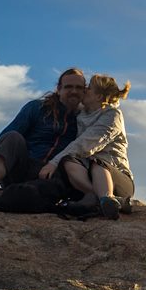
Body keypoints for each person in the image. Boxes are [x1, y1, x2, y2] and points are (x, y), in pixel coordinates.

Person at [0, 68, 86, 213]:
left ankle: (0, 197)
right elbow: (5, 139)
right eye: (68, 87)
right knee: (12, 136)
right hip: (23, 167)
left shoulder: (87, 118)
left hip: (53, 176)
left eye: (79, 88)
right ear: (59, 89)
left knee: (36, 193)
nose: (74, 91)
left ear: (84, 91)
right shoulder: (37, 108)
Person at [42, 73, 134, 220]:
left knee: (98, 163)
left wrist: (53, 163)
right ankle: (99, 198)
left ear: (98, 96)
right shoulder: (83, 113)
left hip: (115, 177)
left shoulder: (112, 115)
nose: (84, 90)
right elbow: (66, 100)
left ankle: (108, 198)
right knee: (68, 161)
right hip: (88, 177)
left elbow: (85, 144)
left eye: (89, 88)